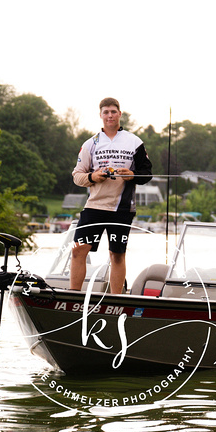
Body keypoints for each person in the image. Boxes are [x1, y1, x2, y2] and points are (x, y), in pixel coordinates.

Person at [70, 97, 152, 293]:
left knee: (117, 254)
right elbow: (77, 176)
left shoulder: (135, 142)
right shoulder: (91, 143)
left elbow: (147, 174)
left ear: (119, 114)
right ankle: (73, 296)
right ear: (100, 115)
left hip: (121, 208)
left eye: (113, 112)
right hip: (94, 207)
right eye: (106, 112)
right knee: (78, 250)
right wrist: (93, 176)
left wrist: (132, 175)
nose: (110, 115)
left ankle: (117, 299)